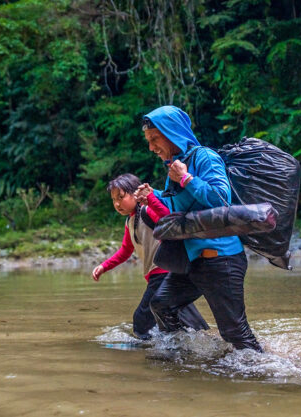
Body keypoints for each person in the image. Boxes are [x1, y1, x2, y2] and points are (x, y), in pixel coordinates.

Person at [143, 105, 263, 352]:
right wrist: (151, 196)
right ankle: (182, 354)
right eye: (148, 141)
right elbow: (178, 208)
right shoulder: (175, 166)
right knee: (161, 304)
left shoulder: (204, 157)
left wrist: (187, 179)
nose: (151, 147)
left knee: (235, 332)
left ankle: (265, 372)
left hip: (221, 260)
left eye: (155, 139)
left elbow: (221, 200)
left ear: (172, 132)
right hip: (193, 262)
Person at [92, 173, 209, 341]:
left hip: (163, 272)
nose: (117, 203)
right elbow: (125, 250)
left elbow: (168, 218)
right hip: (163, 274)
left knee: (141, 320)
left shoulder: (147, 211)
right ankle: (202, 341)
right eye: (113, 199)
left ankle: (149, 350)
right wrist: (104, 266)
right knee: (189, 322)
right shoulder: (130, 222)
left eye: (121, 197)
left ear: (135, 193)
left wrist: (151, 199)